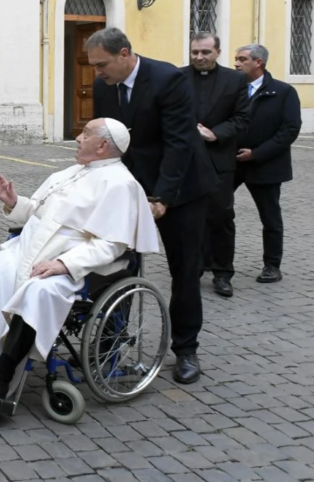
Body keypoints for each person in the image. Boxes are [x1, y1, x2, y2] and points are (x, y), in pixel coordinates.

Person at [0, 118, 159, 403]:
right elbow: (39, 213)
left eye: (85, 134)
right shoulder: (72, 172)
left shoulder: (121, 184)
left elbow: (111, 245)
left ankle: (1, 375)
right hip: (32, 250)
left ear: (102, 146)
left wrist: (64, 264)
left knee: (38, 289)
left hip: (82, 267)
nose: (78, 138)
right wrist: (14, 202)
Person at [87, 27, 216, 384]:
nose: (96, 72)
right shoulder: (103, 86)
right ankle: (110, 345)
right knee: (116, 266)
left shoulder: (167, 79)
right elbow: (107, 141)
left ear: (124, 54)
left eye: (102, 64)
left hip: (182, 188)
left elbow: (179, 142)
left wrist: (162, 198)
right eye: (94, 65)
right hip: (133, 187)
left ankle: (186, 349)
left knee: (184, 271)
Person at [180, 33, 250, 298]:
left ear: (218, 52)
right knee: (188, 219)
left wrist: (215, 134)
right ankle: (191, 270)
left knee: (221, 218)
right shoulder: (177, 77)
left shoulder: (235, 80)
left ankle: (222, 273)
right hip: (186, 161)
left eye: (205, 52)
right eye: (195, 52)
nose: (199, 57)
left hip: (219, 159)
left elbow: (242, 118)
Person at [233, 43, 302, 283]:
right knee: (217, 210)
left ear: (258, 62)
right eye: (236, 59)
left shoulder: (283, 91)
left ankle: (272, 265)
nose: (236, 64)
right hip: (232, 162)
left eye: (242, 59)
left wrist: (257, 153)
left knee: (270, 217)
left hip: (265, 164)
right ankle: (213, 259)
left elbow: (290, 129)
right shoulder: (231, 88)